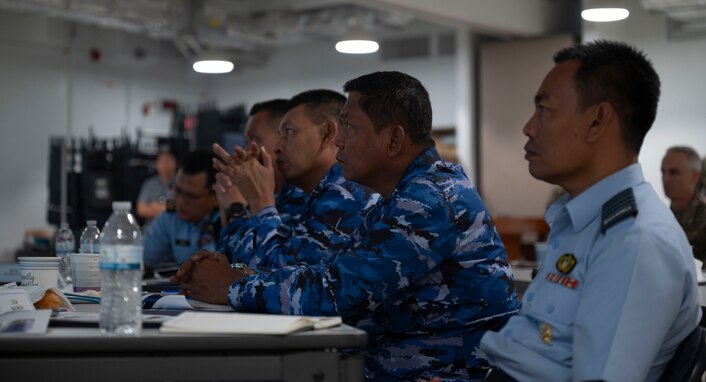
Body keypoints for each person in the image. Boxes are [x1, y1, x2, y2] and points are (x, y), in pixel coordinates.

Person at [177, 72, 519, 381]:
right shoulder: (399, 196)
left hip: (440, 372)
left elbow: (337, 292)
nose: (339, 142)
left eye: (350, 128)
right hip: (396, 363)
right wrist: (236, 274)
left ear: (394, 140)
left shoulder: (428, 200)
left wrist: (232, 287)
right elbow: (320, 270)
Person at [478, 40, 701, 382]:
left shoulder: (634, 241)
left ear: (598, 121)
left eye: (544, 110)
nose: (529, 127)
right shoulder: (583, 221)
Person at [175, 89, 378, 283]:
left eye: (289, 132)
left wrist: (254, 204)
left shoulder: (344, 193)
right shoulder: (322, 193)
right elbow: (243, 267)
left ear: (327, 134)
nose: (277, 147)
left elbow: (279, 276)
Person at [214, 99, 308, 231]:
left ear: (284, 137)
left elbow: (265, 250)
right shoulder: (271, 193)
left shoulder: (304, 200)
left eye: (254, 138)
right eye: (247, 141)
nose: (246, 150)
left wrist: (237, 210)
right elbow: (225, 248)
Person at [143, 150, 222, 269]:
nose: (180, 202)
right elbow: (143, 261)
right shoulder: (170, 219)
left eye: (191, 196)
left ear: (217, 197)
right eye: (177, 191)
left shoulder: (232, 222)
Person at [662, 146, 706, 264]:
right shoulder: (660, 219)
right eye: (663, 171)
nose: (665, 179)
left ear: (695, 176)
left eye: (674, 173)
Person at [136, 150, 177, 229]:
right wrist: (169, 208)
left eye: (168, 161)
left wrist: (154, 206)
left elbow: (181, 207)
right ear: (157, 164)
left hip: (174, 229)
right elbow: (141, 209)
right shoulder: (149, 184)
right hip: (152, 229)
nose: (165, 165)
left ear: (175, 163)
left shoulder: (181, 183)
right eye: (162, 162)